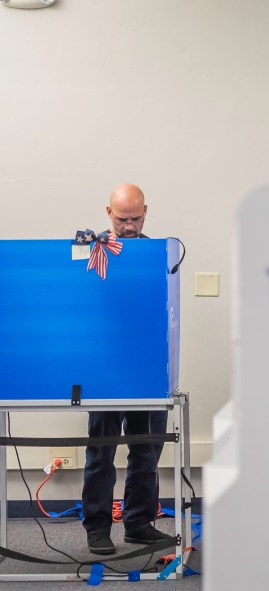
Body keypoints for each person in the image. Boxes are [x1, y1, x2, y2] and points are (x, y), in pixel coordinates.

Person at [82, 183, 171, 554]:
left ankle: (138, 524)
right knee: (101, 451)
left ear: (146, 211)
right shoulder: (92, 252)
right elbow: (82, 308)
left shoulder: (158, 254)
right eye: (122, 219)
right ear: (108, 213)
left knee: (146, 452)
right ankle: (98, 529)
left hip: (147, 369)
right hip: (105, 368)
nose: (130, 226)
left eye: (136, 218)